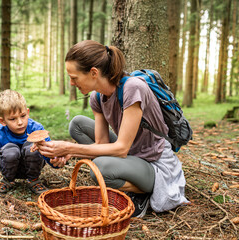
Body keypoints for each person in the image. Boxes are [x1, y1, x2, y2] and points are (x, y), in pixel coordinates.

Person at [35, 40, 189, 217]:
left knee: (100, 167)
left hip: (155, 162)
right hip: (131, 154)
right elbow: (101, 144)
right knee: (77, 124)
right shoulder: (97, 97)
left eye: (74, 77)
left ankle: (143, 193)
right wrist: (69, 154)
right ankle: (129, 177)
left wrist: (70, 148)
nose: (71, 83)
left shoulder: (133, 88)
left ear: (93, 73)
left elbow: (121, 148)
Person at [0, 89, 55, 195]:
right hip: (9, 168)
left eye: (23, 116)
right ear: (2, 121)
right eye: (12, 119)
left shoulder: (36, 128)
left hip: (33, 166)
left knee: (31, 146)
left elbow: (50, 154)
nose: (20, 122)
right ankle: (7, 180)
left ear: (27, 113)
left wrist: (57, 160)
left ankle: (34, 180)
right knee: (10, 149)